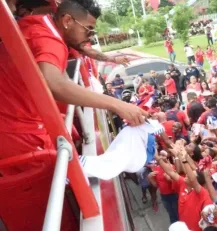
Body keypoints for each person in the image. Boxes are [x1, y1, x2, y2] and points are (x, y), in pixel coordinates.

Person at [0, 0, 147, 172]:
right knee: (52, 178)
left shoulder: (43, 24)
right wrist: (117, 104)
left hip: (15, 116)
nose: (90, 36)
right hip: (15, 127)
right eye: (88, 29)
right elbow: (54, 83)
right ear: (67, 21)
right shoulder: (50, 41)